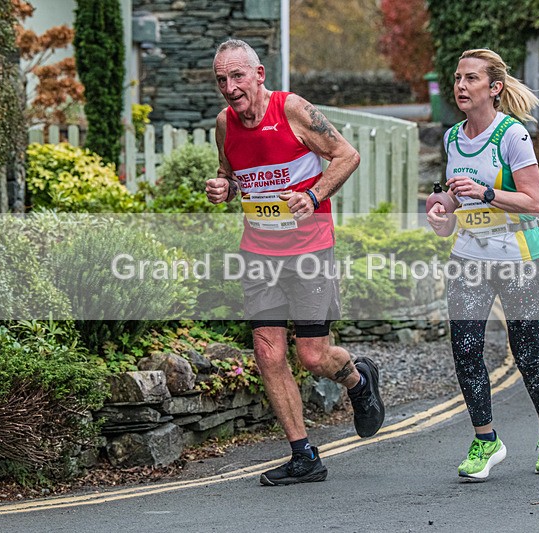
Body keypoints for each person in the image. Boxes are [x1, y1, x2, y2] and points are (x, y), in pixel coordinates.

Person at [205, 39, 385, 485]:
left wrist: (312, 195)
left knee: (312, 355)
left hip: (309, 251)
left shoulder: (293, 110)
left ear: (259, 74)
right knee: (267, 354)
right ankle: (304, 456)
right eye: (222, 79)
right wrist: (224, 188)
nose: (230, 87)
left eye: (238, 76)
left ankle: (359, 381)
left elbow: (348, 155)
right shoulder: (224, 125)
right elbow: (233, 175)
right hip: (259, 254)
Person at [426, 49, 539, 481]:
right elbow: (454, 199)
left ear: (495, 88)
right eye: (457, 78)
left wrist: (486, 192)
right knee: (465, 350)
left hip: (520, 257)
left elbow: (533, 201)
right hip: (469, 257)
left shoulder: (513, 135)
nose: (461, 86)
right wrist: (441, 209)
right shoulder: (452, 138)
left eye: (471, 79)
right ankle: (486, 440)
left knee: (527, 355)